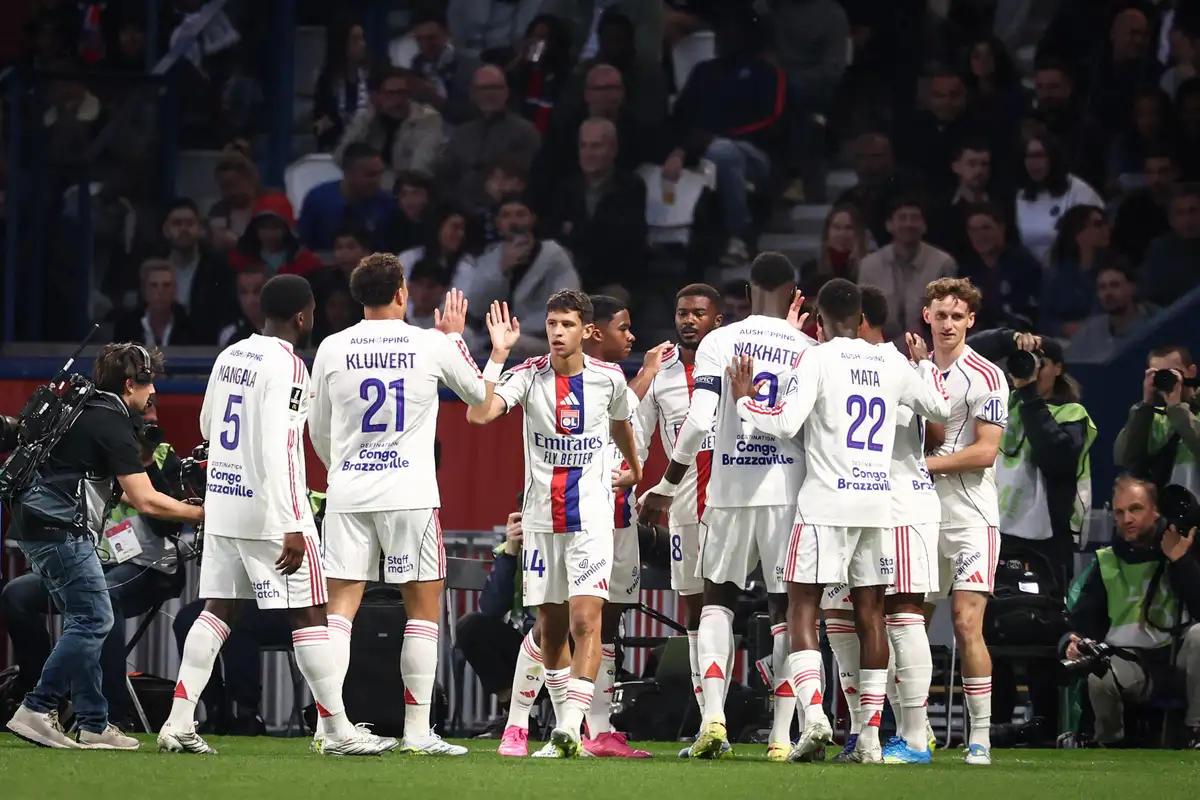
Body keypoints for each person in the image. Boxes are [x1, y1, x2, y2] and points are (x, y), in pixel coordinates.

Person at [157, 275, 394, 757]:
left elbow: (206, 425)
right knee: (310, 612)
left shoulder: (231, 354)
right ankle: (337, 730)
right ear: (303, 316)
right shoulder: (289, 364)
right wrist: (291, 520)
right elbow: (280, 447)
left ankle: (178, 722)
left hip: (224, 503)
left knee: (218, 608)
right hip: (270, 511)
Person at [730, 278, 950, 764]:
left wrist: (745, 399)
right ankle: (870, 740)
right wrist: (924, 366)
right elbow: (940, 408)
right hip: (876, 505)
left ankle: (814, 715)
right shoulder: (892, 362)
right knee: (872, 614)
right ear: (860, 316)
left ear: (820, 320)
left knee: (801, 607)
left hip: (825, 504)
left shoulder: (818, 358)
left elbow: (784, 423)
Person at [308, 254, 503, 756]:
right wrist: (464, 341)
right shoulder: (429, 343)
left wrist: (342, 468)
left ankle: (332, 729)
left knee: (339, 611)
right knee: (422, 610)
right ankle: (417, 732)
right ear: (402, 293)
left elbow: (317, 429)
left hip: (348, 491)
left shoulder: (331, 347)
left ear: (358, 296)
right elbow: (481, 398)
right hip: (410, 494)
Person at [639, 253, 815, 762]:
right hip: (786, 492)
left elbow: (698, 422)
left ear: (747, 291)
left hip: (729, 490)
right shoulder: (807, 348)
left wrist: (667, 484)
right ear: (793, 294)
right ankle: (781, 736)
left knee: (716, 601)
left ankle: (713, 720)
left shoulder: (722, 341)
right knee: (786, 611)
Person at [466, 291, 642, 758]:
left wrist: (635, 466)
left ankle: (566, 726)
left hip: (592, 519)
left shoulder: (608, 378)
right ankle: (546, 726)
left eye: (567, 324)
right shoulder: (528, 376)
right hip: (542, 520)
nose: (558, 332)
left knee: (587, 620)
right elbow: (478, 414)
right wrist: (497, 356)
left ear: (586, 330)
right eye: (551, 324)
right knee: (550, 628)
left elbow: (620, 423)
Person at [4, 344, 204, 750]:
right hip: (59, 527)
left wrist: (186, 510)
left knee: (87, 617)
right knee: (94, 619)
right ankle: (37, 707)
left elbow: (124, 491)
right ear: (131, 384)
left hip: (39, 522)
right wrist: (202, 515)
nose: (153, 394)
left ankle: (94, 722)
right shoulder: (112, 422)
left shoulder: (86, 409)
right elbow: (146, 500)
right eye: (149, 385)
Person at [818, 285, 946, 764]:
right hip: (851, 506)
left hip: (900, 502)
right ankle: (861, 729)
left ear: (858, 319)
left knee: (901, 614)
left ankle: (915, 736)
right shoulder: (847, 363)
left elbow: (936, 432)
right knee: (841, 618)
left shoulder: (895, 363)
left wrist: (924, 370)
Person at [909, 277, 1009, 765]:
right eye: (940, 315)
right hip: (920, 516)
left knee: (967, 623)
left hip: (971, 517)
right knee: (908, 625)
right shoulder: (912, 371)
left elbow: (985, 452)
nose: (948, 324)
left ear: (971, 320)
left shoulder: (987, 375)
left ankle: (980, 738)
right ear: (926, 316)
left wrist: (922, 466)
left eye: (957, 316)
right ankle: (918, 730)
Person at [567, 295, 662, 758]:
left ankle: (598, 728)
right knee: (570, 622)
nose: (631, 335)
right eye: (622, 327)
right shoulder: (580, 377)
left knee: (610, 621)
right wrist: (648, 372)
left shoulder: (617, 378)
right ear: (595, 332)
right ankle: (542, 724)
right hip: (587, 519)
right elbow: (611, 415)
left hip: (620, 517)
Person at [630, 284, 722, 742]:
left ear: (717, 321)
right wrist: (630, 480)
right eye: (683, 313)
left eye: (699, 313)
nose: (689, 320)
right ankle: (709, 720)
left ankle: (784, 720)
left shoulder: (732, 362)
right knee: (695, 608)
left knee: (764, 603)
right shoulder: (661, 372)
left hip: (733, 503)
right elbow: (637, 435)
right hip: (684, 504)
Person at [1062, 476, 1200, 748]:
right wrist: (1072, 641)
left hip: (1180, 661)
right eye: (1120, 512)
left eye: (1136, 509)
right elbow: (1081, 623)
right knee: (1099, 674)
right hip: (1130, 662)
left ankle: (1196, 732)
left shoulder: (1185, 547)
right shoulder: (1106, 561)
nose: (1127, 519)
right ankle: (1108, 745)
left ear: (1156, 511)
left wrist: (1181, 561)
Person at [856, 195, 957, 346]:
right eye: (902, 218)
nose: (909, 224)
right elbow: (861, 317)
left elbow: (948, 315)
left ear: (924, 226)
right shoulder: (868, 266)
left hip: (929, 348)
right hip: (877, 349)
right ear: (889, 225)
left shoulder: (943, 263)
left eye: (915, 218)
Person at [1114, 344, 1200, 497]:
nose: (1168, 379)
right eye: (1159, 375)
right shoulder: (1152, 418)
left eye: (1174, 373)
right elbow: (1123, 458)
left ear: (1191, 372)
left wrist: (1176, 408)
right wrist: (1145, 405)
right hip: (1161, 509)